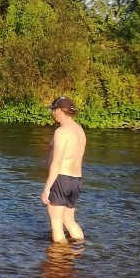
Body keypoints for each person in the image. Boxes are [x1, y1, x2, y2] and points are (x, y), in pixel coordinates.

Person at [41, 96, 86, 243]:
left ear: (59, 111)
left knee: (56, 223)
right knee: (69, 220)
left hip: (61, 179)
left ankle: (59, 262)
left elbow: (57, 162)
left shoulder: (62, 132)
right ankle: (79, 252)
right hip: (76, 180)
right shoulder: (80, 131)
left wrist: (47, 187)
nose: (52, 113)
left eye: (53, 110)